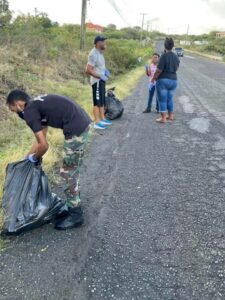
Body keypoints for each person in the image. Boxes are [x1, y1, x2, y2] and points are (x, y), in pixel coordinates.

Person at [6, 90, 92, 230]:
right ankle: (72, 204)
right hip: (82, 123)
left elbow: (44, 146)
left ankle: (76, 215)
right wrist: (27, 159)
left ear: (18, 103)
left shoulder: (29, 112)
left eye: (13, 109)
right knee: (70, 171)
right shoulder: (36, 105)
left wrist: (34, 158)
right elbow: (40, 141)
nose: (15, 113)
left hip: (77, 129)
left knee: (67, 173)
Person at [86, 35, 112, 130]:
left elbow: (99, 67)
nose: (105, 43)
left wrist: (105, 72)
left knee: (101, 100)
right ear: (98, 43)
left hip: (101, 80)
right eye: (103, 41)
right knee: (97, 102)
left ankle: (102, 119)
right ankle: (97, 122)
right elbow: (88, 70)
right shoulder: (93, 54)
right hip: (96, 81)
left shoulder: (100, 53)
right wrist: (100, 76)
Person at [152, 37, 180, 123]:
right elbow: (177, 68)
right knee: (169, 99)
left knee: (162, 100)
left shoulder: (163, 56)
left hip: (163, 80)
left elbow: (159, 70)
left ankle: (163, 118)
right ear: (172, 46)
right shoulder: (176, 57)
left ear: (165, 46)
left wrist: (153, 78)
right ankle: (170, 116)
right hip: (174, 80)